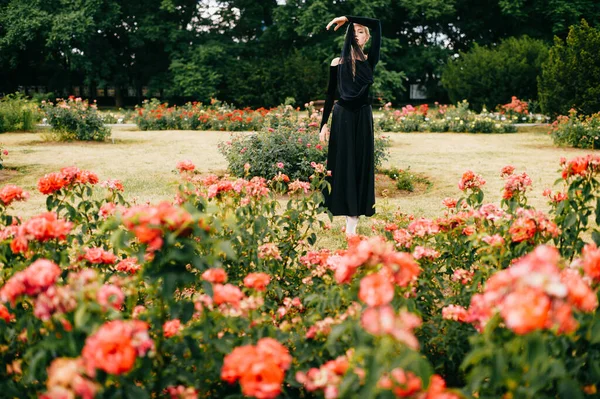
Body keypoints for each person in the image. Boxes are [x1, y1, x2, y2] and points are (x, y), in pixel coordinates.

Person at [319, 15, 381, 236]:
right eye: (353, 31)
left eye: (361, 31)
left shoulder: (370, 59)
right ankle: (349, 222)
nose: (357, 34)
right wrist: (323, 125)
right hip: (342, 116)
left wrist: (347, 19)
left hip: (362, 117)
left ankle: (353, 222)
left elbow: (378, 23)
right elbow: (330, 94)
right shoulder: (337, 63)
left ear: (367, 37)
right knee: (344, 165)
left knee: (359, 164)